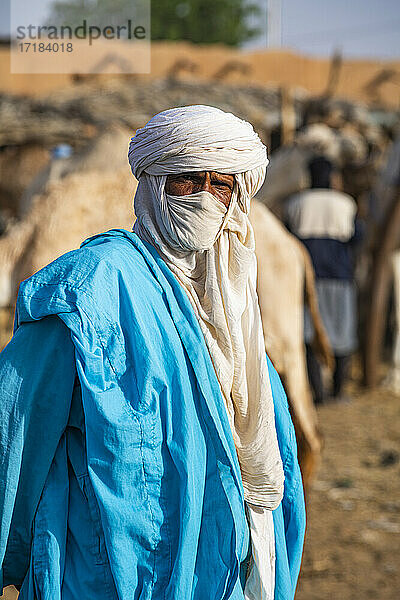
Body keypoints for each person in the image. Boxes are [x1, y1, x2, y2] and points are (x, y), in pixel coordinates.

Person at [0, 106, 305, 599]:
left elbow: (276, 472)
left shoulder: (235, 326)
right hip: (104, 582)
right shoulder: (92, 289)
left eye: (221, 185)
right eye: (188, 181)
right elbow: (13, 433)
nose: (205, 198)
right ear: (154, 186)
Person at [285, 155, 363, 404]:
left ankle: (318, 394)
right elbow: (357, 236)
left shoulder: (295, 203)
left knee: (309, 334)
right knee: (342, 332)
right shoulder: (345, 203)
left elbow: (288, 237)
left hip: (307, 280)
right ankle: (339, 391)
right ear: (331, 177)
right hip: (340, 277)